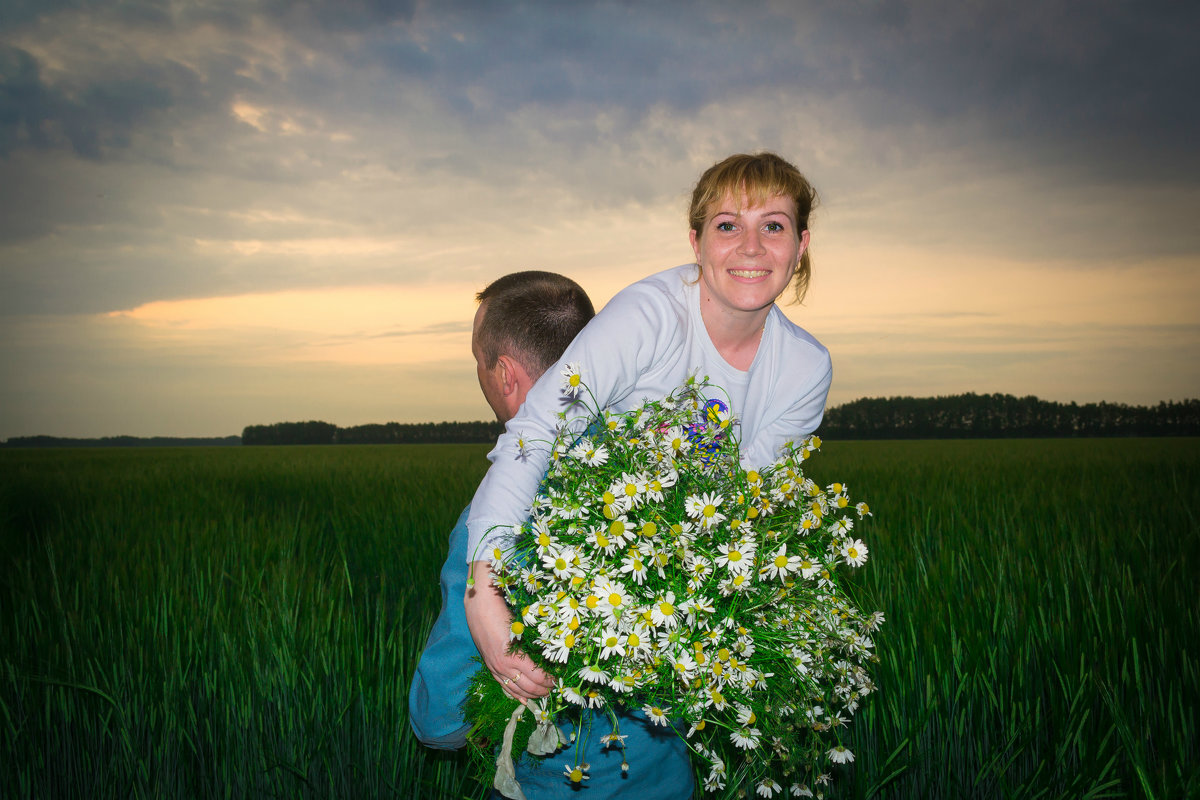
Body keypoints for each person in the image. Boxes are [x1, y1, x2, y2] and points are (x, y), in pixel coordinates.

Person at [464, 153, 834, 716]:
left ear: (801, 244)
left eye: (773, 226)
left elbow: (742, 503)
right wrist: (482, 594)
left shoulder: (805, 369)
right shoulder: (648, 316)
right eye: (728, 225)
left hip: (665, 551)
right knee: (467, 594)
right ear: (696, 242)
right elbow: (537, 429)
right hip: (555, 509)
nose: (752, 247)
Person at [408, 271, 695, 798]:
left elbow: (441, 720)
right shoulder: (667, 478)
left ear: (505, 373)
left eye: (479, 361)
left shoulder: (491, 522)